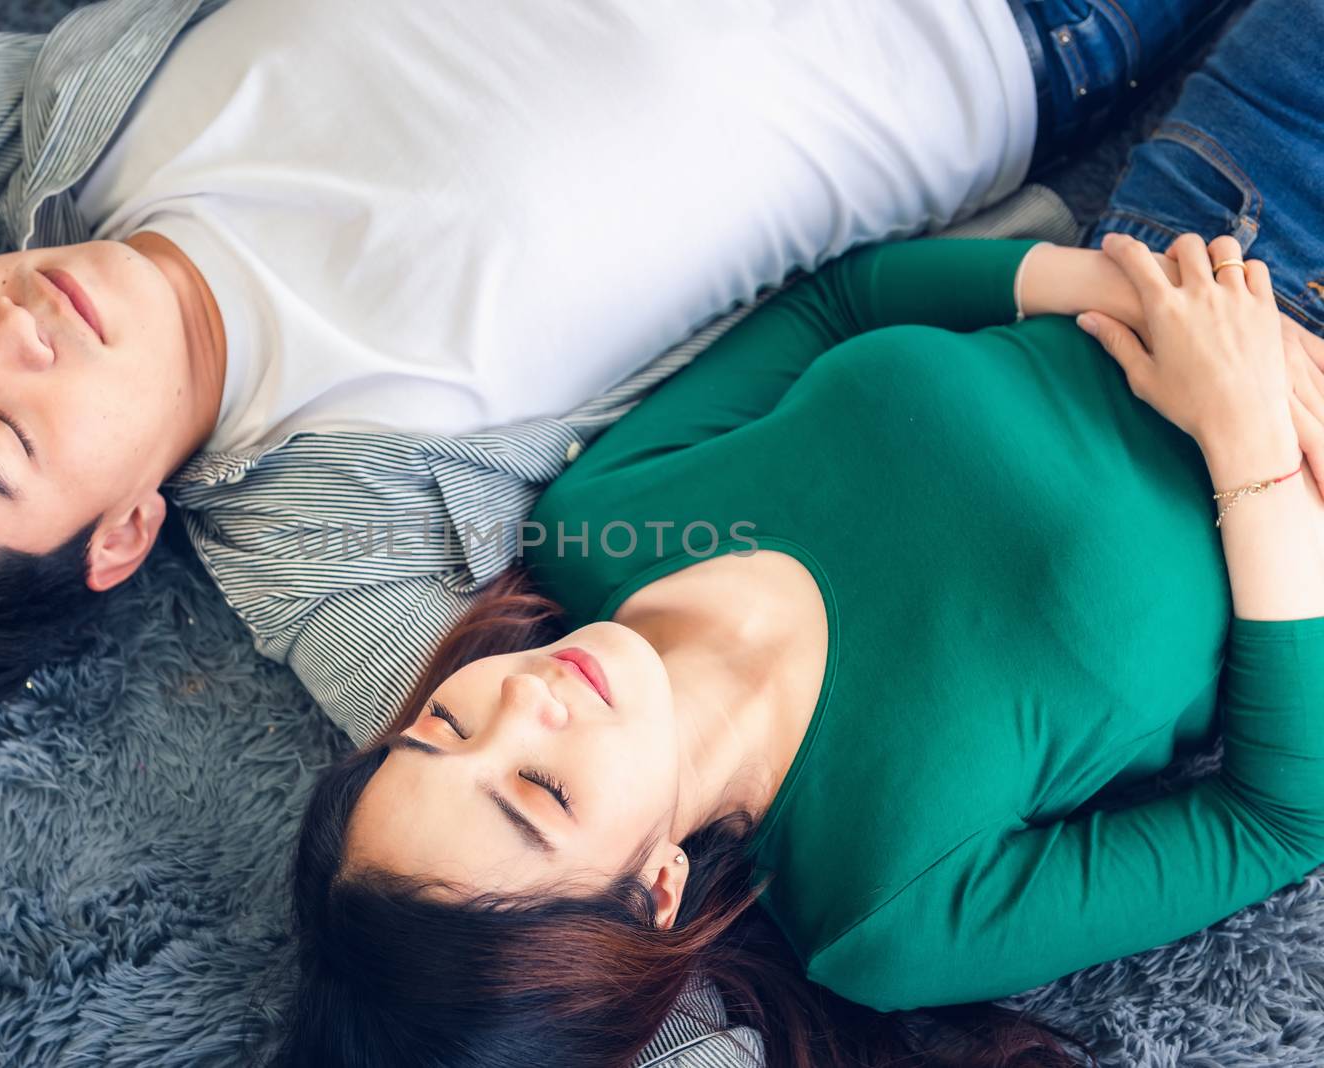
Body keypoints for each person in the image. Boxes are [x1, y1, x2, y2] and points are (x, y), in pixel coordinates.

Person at [278, 0, 1324, 1063]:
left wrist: (1142, 294)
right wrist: (1251, 448)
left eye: (444, 729)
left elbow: (838, 306)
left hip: (1214, 215)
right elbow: (1278, 819)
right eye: (540, 791)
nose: (522, 699)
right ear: (652, 893)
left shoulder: (599, 528)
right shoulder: (886, 914)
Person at [0, 0, 1232, 737]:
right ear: (122, 537)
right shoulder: (331, 545)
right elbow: (528, 840)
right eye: (1, 441)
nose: (10, 331)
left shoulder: (58, 133)